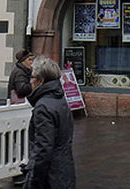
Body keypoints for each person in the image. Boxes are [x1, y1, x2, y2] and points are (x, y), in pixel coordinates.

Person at [24, 55, 75, 188]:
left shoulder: (43, 107)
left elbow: (43, 149)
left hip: (50, 177)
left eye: (32, 77)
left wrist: (33, 181)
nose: (30, 81)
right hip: (64, 170)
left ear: (40, 81)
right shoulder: (60, 100)